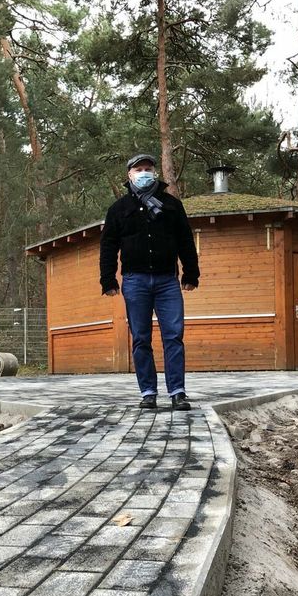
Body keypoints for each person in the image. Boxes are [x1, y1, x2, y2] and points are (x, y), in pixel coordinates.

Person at [99, 153, 200, 411]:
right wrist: (108, 278)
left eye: (148, 168)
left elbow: (186, 241)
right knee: (141, 338)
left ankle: (177, 392)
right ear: (129, 175)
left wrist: (191, 274)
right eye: (138, 169)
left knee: (174, 336)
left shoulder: (171, 205)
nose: (144, 173)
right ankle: (148, 393)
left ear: (154, 173)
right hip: (135, 281)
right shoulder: (119, 209)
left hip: (168, 281)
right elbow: (108, 246)